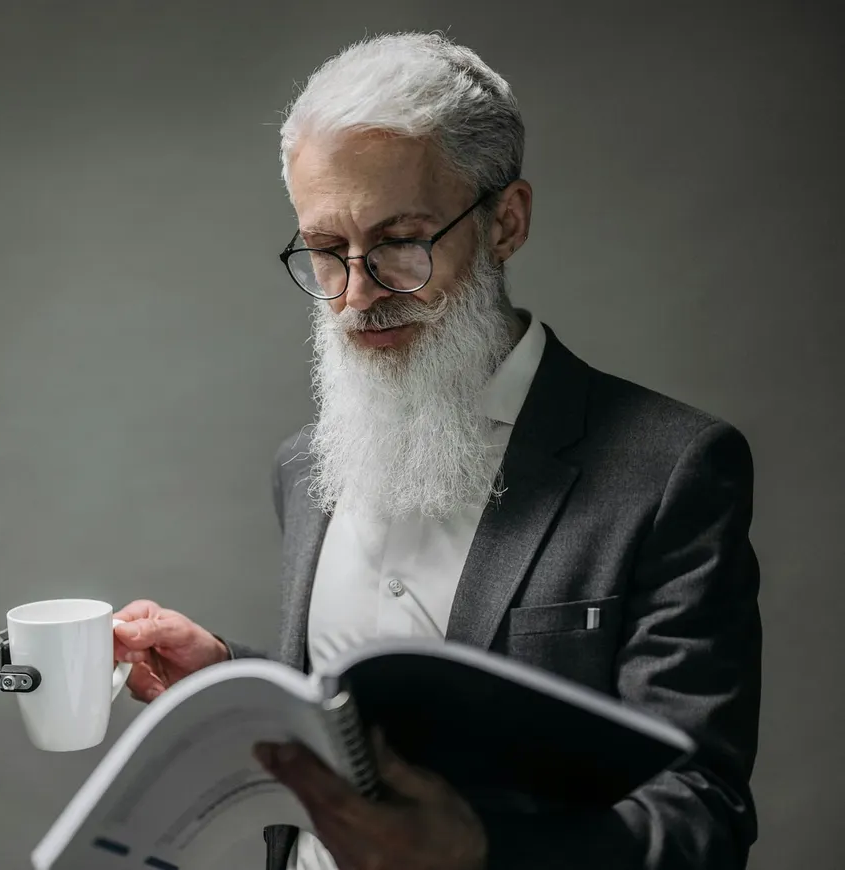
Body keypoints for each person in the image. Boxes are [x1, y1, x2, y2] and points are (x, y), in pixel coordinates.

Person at [111, 30, 761, 870]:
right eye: (324, 250)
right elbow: (376, 710)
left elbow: (702, 815)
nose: (356, 294)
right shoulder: (305, 466)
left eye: (399, 242)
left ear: (506, 223)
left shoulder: (673, 470)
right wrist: (232, 675)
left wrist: (478, 853)